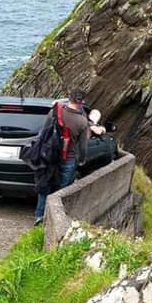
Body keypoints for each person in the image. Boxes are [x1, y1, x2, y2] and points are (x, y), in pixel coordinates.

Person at [34, 89, 90, 225]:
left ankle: (40, 216)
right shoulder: (82, 122)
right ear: (81, 102)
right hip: (69, 158)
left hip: (50, 155)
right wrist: (82, 159)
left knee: (45, 184)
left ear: (69, 99)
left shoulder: (54, 112)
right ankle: (54, 219)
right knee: (63, 189)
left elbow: (42, 133)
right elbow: (83, 146)